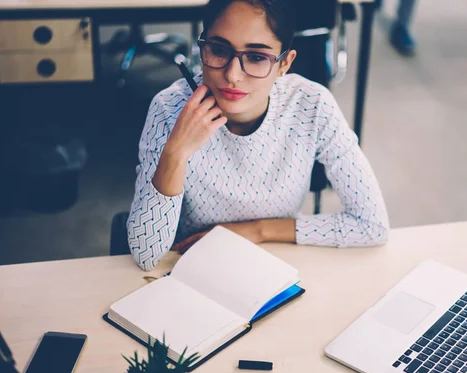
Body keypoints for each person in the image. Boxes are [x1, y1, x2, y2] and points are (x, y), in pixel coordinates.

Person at [127, 0, 389, 271]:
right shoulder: (169, 108)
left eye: (256, 57)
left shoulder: (311, 105)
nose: (232, 75)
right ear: (201, 47)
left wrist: (257, 231)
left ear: (284, 63)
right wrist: (176, 152)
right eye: (218, 50)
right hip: (195, 267)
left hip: (279, 264)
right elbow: (147, 253)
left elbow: (372, 225)